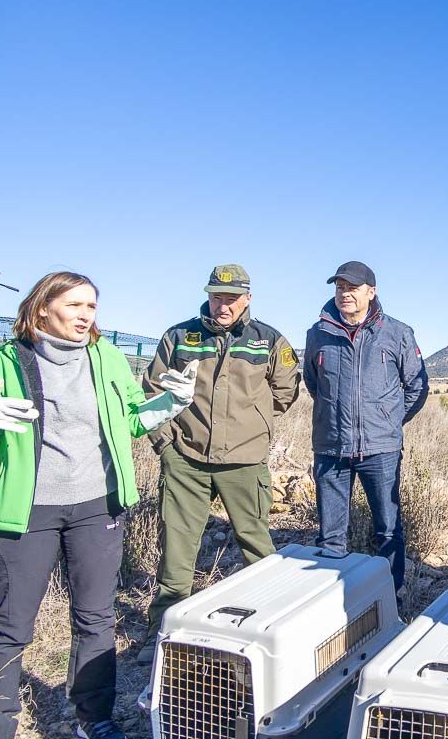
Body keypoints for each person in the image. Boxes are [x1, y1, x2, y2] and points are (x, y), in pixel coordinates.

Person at [0, 272, 197, 739]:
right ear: (41, 308)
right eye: (75, 305)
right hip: (25, 512)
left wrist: (173, 402)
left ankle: (94, 719)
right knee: (10, 627)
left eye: (91, 307)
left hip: (98, 506)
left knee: (95, 619)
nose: (85, 315)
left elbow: (136, 420)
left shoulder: (107, 357)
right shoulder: (7, 362)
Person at [139, 264, 301, 661]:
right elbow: (151, 391)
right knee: (177, 548)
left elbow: (285, 391)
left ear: (247, 298)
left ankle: (266, 630)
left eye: (231, 298)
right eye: (216, 296)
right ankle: (161, 631)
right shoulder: (179, 337)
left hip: (245, 461)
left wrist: (253, 427)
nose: (222, 305)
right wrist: (165, 445)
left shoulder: (268, 340)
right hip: (187, 460)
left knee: (257, 548)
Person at [303, 261, 427, 588]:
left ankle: (393, 601)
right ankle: (333, 607)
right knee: (330, 538)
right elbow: (313, 383)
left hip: (380, 450)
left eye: (352, 288)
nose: (345, 294)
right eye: (340, 287)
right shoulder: (318, 334)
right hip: (331, 448)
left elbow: (416, 386)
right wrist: (335, 416)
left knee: (388, 530)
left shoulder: (397, 333)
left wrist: (388, 421)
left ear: (371, 292)